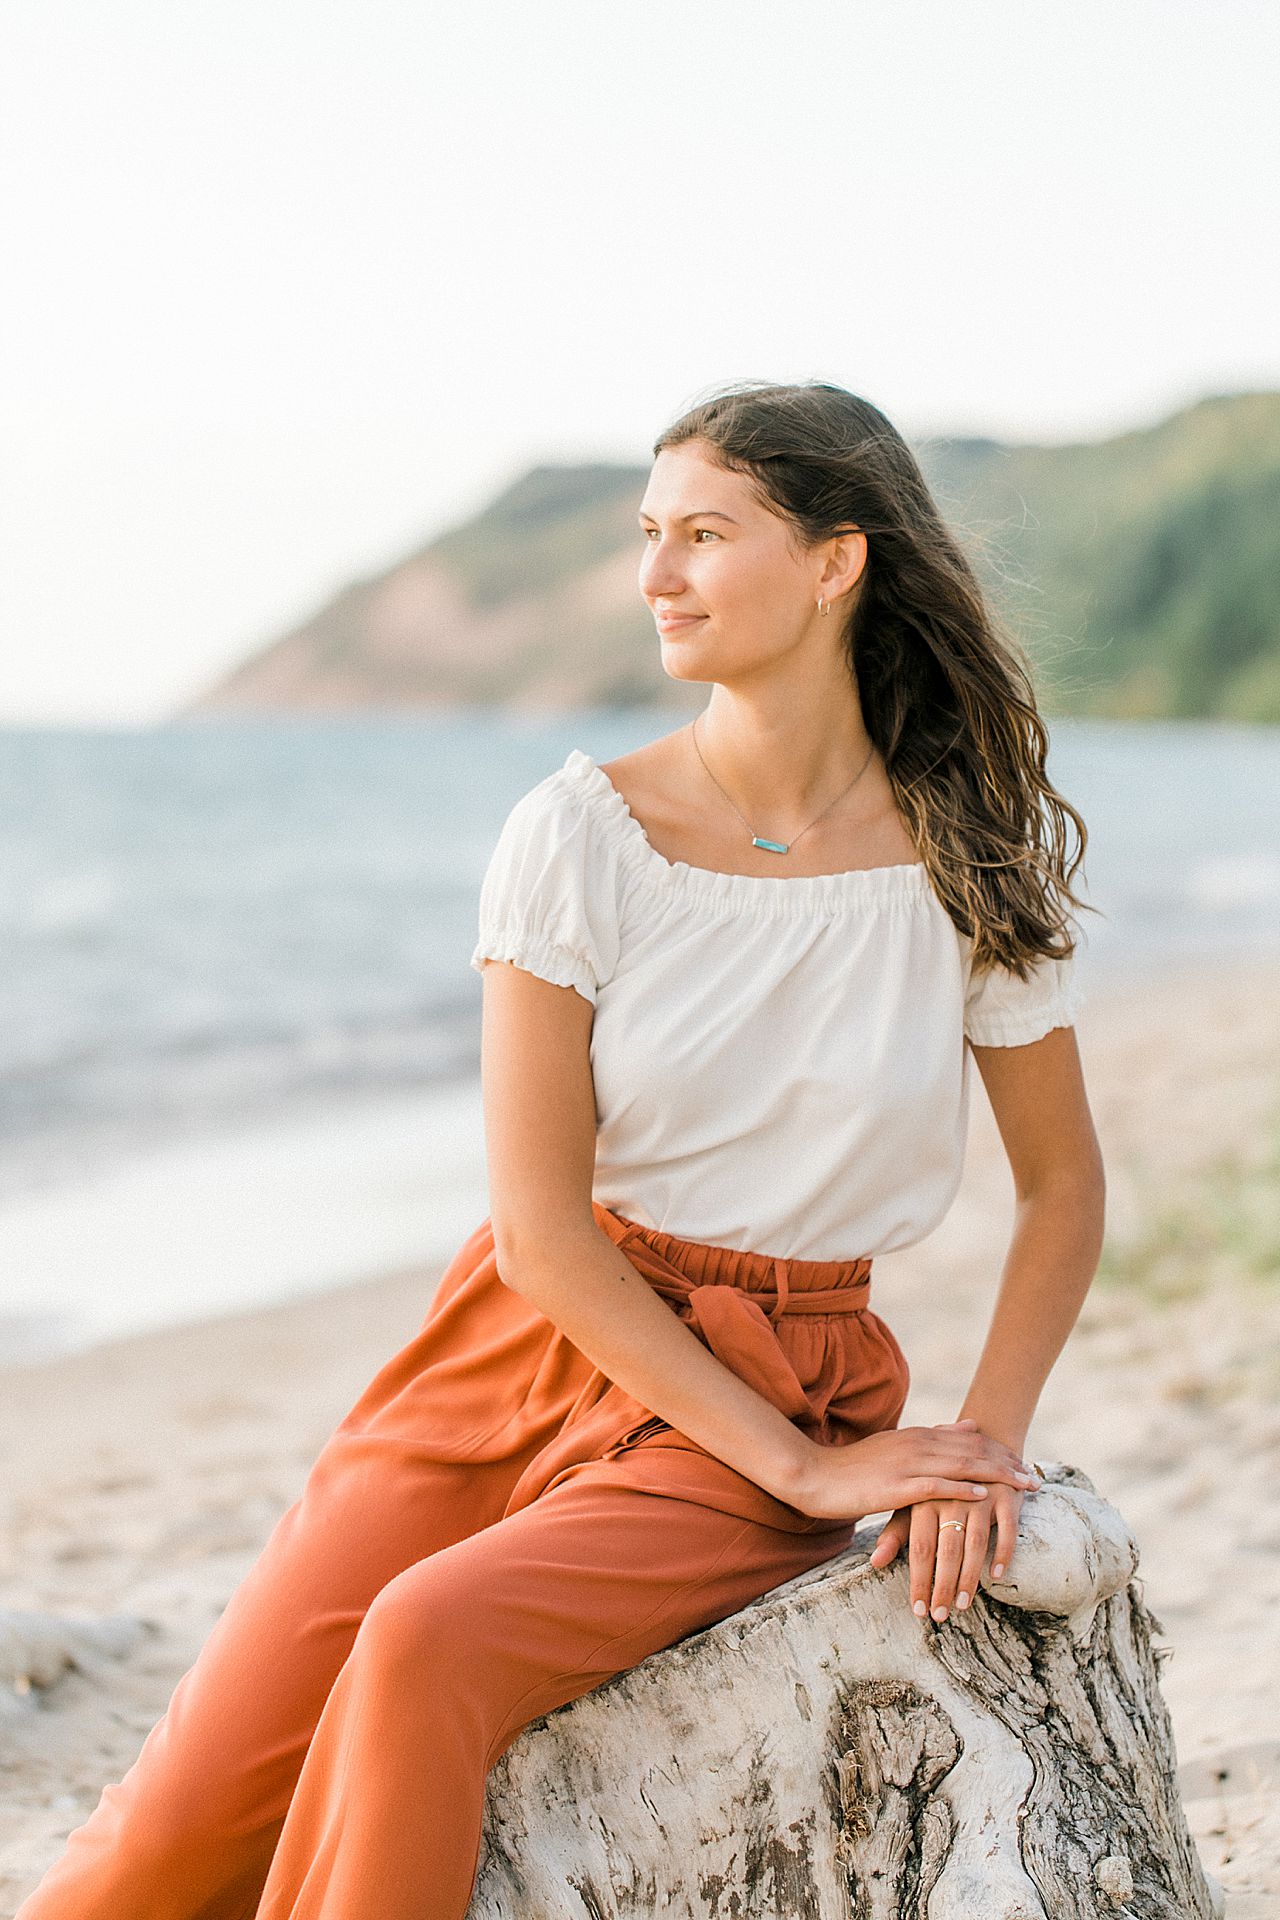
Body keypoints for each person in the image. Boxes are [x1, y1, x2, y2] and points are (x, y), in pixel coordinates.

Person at [16, 379, 1105, 1920]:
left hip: (772, 1369)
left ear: (835, 561)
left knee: (426, 1642)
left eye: (704, 534)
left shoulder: (965, 853)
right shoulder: (582, 830)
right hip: (513, 1348)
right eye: (648, 534)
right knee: (166, 1830)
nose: (655, 574)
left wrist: (970, 1449)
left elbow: (1064, 1190)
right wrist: (805, 1475)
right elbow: (538, 1230)